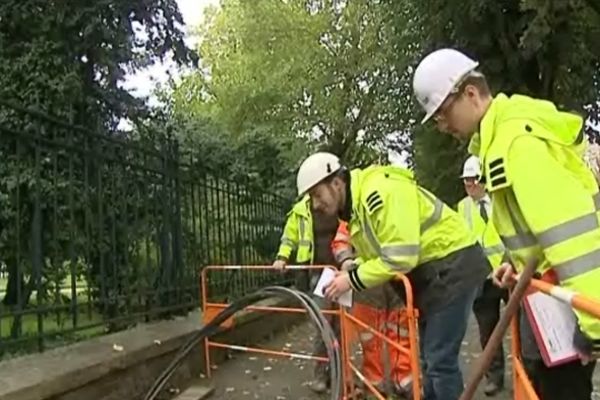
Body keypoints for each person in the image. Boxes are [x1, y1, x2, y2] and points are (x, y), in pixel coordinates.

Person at [412, 47, 600, 400]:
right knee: (539, 384)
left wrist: (594, 321)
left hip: (571, 299)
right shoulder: (497, 141)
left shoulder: (516, 141)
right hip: (549, 296)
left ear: (470, 93)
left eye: (442, 114)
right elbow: (534, 227)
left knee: (560, 391)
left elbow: (571, 232)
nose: (442, 126)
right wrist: (512, 264)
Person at [296, 152, 491, 400]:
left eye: (317, 194)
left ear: (336, 183)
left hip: (452, 268)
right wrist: (354, 266)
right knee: (431, 361)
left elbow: (400, 256)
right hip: (438, 273)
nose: (315, 204)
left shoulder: (378, 192)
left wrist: (351, 279)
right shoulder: (357, 208)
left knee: (439, 361)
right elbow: (381, 252)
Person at [331, 222, 413, 398]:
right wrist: (346, 261)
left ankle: (402, 379)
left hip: (394, 282)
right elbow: (340, 240)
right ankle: (375, 381)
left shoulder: (392, 205)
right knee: (370, 336)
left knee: (400, 332)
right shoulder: (357, 209)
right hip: (368, 283)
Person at [273, 195, 339, 393]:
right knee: (323, 326)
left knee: (343, 327)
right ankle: (320, 376)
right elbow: (289, 235)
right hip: (319, 274)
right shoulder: (301, 209)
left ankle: (340, 377)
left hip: (343, 274)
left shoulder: (341, 204)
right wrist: (282, 257)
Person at [457, 155, 508, 396]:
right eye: (466, 181)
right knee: (488, 333)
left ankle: (525, 373)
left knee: (521, 327)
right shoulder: (463, 207)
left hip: (509, 274)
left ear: (483, 179)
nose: (469, 185)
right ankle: (494, 377)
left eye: (473, 180)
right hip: (481, 280)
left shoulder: (501, 200)